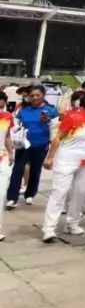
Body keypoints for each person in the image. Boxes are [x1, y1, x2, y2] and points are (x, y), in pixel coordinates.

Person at [41, 87, 85, 241]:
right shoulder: (73, 116)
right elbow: (58, 138)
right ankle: (49, 228)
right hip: (67, 159)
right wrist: (50, 158)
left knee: (80, 193)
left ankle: (72, 223)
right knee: (60, 192)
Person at [5, 84, 59, 209]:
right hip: (23, 145)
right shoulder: (22, 110)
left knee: (35, 170)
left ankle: (30, 194)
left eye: (37, 95)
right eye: (32, 95)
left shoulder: (51, 110)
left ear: (43, 95)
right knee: (17, 170)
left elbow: (55, 129)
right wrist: (17, 133)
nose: (34, 98)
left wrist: (48, 121)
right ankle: (12, 198)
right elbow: (14, 126)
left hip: (41, 144)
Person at [0, 102, 12, 241]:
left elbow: (7, 136)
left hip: (2, 157)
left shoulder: (6, 117)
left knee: (1, 194)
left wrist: (11, 153)